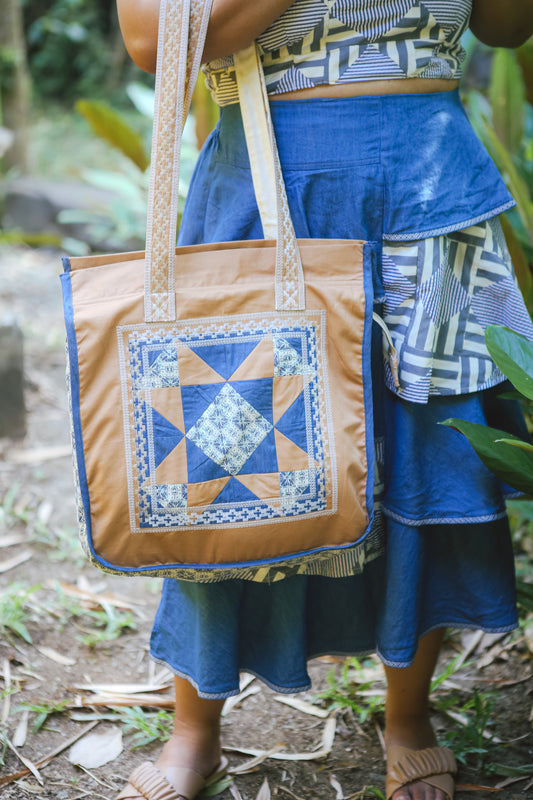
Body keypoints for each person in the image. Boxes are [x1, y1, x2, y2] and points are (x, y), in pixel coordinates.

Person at [114, 2, 533, 799]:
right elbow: (153, 41)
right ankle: (194, 728)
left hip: (430, 188)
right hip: (273, 185)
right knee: (227, 458)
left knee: (428, 449)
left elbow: (504, 27)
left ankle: (409, 717)